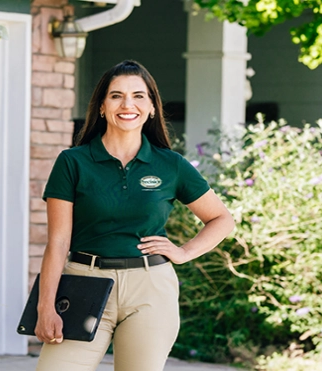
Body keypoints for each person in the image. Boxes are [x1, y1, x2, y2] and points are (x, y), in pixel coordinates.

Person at [34, 60, 235, 371]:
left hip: (150, 289)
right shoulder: (73, 162)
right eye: (116, 96)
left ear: (152, 107)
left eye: (139, 96)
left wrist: (183, 252)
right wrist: (45, 306)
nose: (128, 104)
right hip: (83, 282)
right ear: (101, 106)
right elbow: (58, 242)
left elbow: (222, 219)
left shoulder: (170, 165)